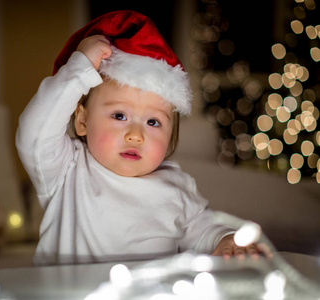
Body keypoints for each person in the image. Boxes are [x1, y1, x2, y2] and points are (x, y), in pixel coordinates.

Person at [16, 10, 263, 265]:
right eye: (119, 116)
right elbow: (34, 132)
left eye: (153, 122)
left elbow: (202, 231)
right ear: (82, 121)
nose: (135, 135)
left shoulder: (176, 186)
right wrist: (79, 71)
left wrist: (225, 239)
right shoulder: (66, 169)